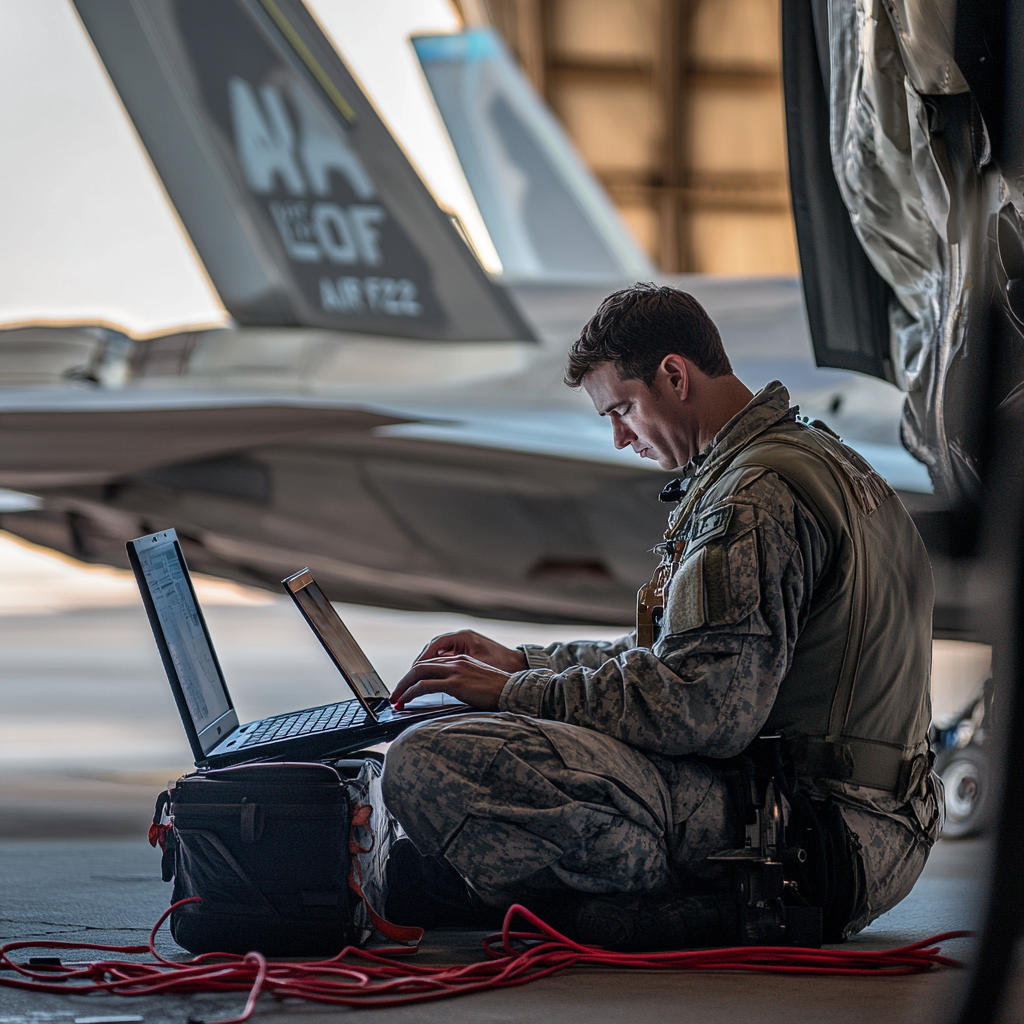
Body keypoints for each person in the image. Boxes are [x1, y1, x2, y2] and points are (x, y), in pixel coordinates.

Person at [380, 283, 942, 942]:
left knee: (424, 761)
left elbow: (699, 713)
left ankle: (672, 915)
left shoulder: (753, 501)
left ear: (674, 375)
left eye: (622, 409)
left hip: (815, 838)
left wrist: (516, 693)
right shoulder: (813, 459)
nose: (620, 439)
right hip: (856, 822)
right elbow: (688, 656)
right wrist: (524, 663)